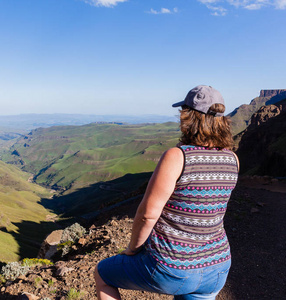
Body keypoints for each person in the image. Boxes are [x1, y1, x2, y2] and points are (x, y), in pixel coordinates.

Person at [94, 85, 239, 300]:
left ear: (188, 117)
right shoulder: (233, 160)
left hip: (174, 268)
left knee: (102, 273)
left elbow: (147, 214)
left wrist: (133, 249)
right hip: (217, 268)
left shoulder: (178, 156)